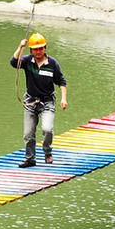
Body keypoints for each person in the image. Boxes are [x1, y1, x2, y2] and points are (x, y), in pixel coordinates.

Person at [10, 33, 68, 168]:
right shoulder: (27, 61)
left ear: (45, 48)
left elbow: (61, 81)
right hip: (30, 102)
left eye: (41, 48)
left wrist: (64, 98)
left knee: (47, 129)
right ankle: (30, 159)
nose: (38, 51)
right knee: (28, 134)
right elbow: (13, 62)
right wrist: (20, 46)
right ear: (31, 50)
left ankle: (47, 152)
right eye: (35, 49)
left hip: (47, 102)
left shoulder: (52, 63)